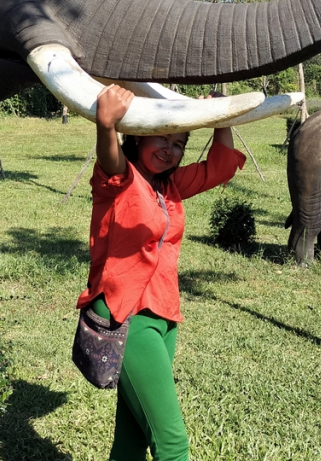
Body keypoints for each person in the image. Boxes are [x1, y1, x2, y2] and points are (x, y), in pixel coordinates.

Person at [78, 84, 246, 461]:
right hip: (126, 317)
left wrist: (222, 119)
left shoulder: (170, 186)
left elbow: (220, 168)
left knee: (132, 439)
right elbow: (110, 160)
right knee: (172, 444)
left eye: (180, 143)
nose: (170, 149)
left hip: (165, 318)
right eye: (162, 138)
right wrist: (106, 125)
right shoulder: (118, 181)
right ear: (138, 135)